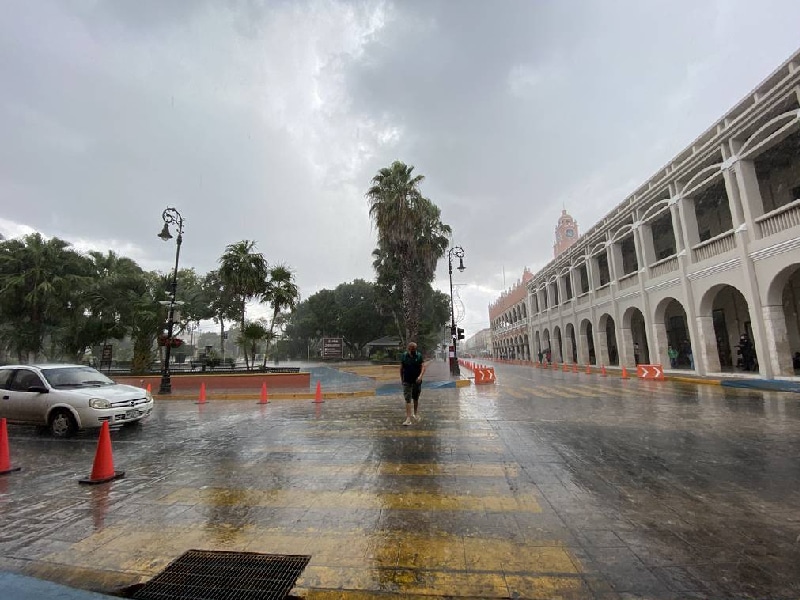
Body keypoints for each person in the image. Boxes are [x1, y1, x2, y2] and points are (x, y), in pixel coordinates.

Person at [400, 341, 427, 426]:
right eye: (412, 349)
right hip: (407, 380)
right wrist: (402, 379)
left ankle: (415, 413)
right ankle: (408, 418)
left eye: (414, 349)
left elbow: (423, 367)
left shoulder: (419, 356)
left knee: (415, 398)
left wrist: (420, 376)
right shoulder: (404, 356)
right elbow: (401, 368)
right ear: (409, 348)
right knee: (407, 399)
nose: (413, 350)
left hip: (417, 381)